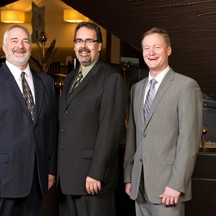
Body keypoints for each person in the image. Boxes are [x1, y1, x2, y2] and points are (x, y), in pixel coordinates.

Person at [0, 25, 57, 216]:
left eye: (25, 41)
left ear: (31, 47)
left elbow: (50, 130)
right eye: (14, 41)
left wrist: (50, 169)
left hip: (35, 182)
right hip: (0, 182)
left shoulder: (46, 83)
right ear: (4, 47)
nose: (20, 46)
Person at [123, 27, 203, 215]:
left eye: (157, 47)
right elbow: (132, 136)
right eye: (146, 48)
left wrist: (177, 184)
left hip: (168, 188)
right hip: (139, 185)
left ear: (168, 50)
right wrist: (129, 176)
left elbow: (189, 142)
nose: (151, 53)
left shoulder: (186, 86)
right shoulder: (137, 89)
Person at [57, 22, 127, 216]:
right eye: (79, 41)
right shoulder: (71, 77)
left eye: (89, 40)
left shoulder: (111, 79)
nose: (83, 46)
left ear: (99, 46)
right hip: (67, 179)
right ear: (74, 46)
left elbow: (110, 131)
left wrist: (96, 173)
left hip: (92, 180)